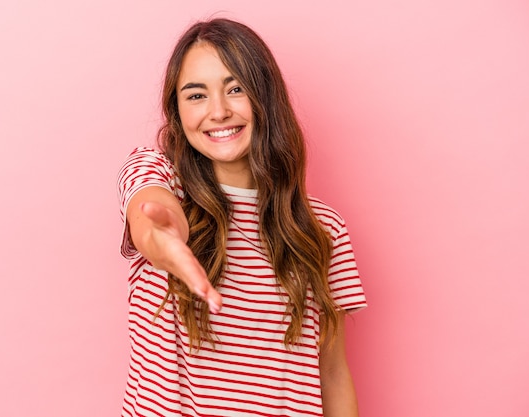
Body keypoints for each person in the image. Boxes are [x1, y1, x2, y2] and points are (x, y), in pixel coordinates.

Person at [117, 18, 367, 417]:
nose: (218, 111)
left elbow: (333, 374)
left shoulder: (321, 228)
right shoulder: (158, 180)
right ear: (177, 111)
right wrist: (161, 237)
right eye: (196, 96)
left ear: (264, 98)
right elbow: (150, 212)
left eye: (235, 89)